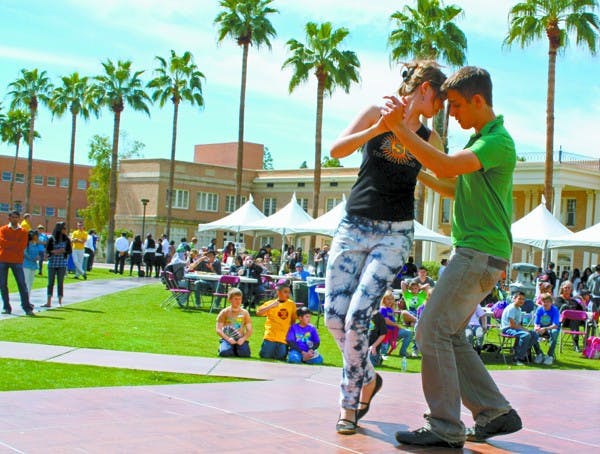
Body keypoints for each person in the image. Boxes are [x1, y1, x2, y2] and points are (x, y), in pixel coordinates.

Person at [383, 66, 523, 447]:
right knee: (451, 336)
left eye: (458, 106)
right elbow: (450, 185)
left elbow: (444, 164)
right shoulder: (482, 142)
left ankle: (445, 427)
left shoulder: (497, 142)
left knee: (430, 330)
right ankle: (495, 411)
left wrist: (399, 129)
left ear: (478, 101)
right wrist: (414, 169)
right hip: (481, 255)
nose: (452, 114)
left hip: (478, 254)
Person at [325, 60, 448, 435]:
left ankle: (349, 406)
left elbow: (445, 174)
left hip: (394, 233)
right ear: (425, 88)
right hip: (354, 225)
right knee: (333, 318)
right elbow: (336, 150)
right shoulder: (377, 110)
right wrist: (381, 127)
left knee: (358, 318)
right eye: (440, 97)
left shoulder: (431, 138)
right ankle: (370, 378)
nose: (441, 107)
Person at [0, 211, 34, 315]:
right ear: (9, 218)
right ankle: (6, 307)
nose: (15, 219)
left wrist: (9, 245)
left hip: (17, 261)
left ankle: (27, 307)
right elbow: (2, 242)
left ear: (19, 218)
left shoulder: (23, 231)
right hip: (3, 259)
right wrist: (14, 245)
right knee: (2, 284)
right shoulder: (3, 229)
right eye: (13, 217)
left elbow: (22, 245)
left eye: (16, 217)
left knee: (22, 284)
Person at [257, 280, 297, 360]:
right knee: (265, 356)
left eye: (288, 292)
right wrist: (270, 306)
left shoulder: (291, 304)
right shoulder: (270, 303)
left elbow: (293, 319)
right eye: (285, 292)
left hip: (283, 338)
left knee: (280, 357)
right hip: (270, 336)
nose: (287, 294)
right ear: (278, 292)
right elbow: (258, 313)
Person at [501, 292, 543, 365]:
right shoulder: (511, 308)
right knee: (526, 335)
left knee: (535, 334)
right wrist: (525, 330)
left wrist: (526, 330)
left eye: (523, 299)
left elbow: (519, 325)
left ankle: (520, 351)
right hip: (507, 329)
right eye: (519, 299)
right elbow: (512, 325)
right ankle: (517, 358)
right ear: (514, 299)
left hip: (515, 328)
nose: (521, 301)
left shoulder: (519, 309)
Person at [216, 288, 252, 357]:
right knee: (225, 353)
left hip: (240, 339)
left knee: (245, 354)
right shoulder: (224, 312)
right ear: (230, 300)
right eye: (235, 299)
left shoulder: (245, 313)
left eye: (240, 299)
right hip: (227, 338)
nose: (238, 301)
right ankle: (225, 347)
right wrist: (228, 339)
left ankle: (236, 349)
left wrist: (243, 339)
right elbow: (218, 329)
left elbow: (249, 330)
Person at [44, 222, 72, 308]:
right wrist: (54, 251)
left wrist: (64, 251)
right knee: (50, 282)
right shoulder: (52, 239)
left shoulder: (66, 239)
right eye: (63, 229)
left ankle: (60, 301)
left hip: (62, 263)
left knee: (60, 282)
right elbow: (47, 250)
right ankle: (48, 301)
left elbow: (69, 250)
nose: (65, 230)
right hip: (52, 262)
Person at [379, 290, 412, 358]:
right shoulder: (383, 309)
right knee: (383, 352)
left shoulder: (390, 309)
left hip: (394, 332)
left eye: (392, 299)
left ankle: (403, 352)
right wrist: (396, 325)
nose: (390, 301)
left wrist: (397, 326)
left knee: (409, 333)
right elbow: (386, 321)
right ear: (384, 299)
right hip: (386, 333)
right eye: (388, 299)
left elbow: (391, 319)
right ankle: (380, 354)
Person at [533, 293, 560, 365]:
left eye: (548, 302)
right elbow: (536, 323)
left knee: (554, 333)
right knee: (533, 334)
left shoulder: (555, 310)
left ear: (551, 302)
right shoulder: (539, 309)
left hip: (551, 328)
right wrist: (537, 328)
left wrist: (545, 328)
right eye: (544, 301)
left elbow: (555, 325)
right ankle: (539, 354)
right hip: (542, 328)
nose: (546, 303)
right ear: (541, 302)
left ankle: (549, 355)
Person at [23, 229, 39, 295]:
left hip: (33, 265)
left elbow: (37, 253)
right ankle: (25, 299)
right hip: (26, 265)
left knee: (31, 282)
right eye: (36, 235)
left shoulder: (35, 244)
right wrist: (33, 258)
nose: (37, 237)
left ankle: (28, 298)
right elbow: (24, 253)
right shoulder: (27, 244)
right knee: (26, 282)